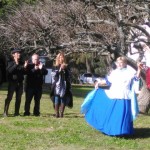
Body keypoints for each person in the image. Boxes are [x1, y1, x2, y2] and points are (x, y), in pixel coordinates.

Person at [81, 56, 143, 136]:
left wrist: (139, 69)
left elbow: (136, 78)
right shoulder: (114, 73)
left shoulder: (129, 73)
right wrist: (99, 83)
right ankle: (114, 130)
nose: (120, 64)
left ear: (125, 64)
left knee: (123, 114)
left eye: (122, 63)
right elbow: (108, 81)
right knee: (116, 114)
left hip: (125, 96)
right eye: (118, 63)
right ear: (117, 64)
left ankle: (123, 131)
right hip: (115, 94)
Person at [3, 48, 26, 117]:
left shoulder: (22, 62)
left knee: (18, 98)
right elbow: (9, 71)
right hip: (12, 82)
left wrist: (25, 67)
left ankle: (16, 112)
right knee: (9, 97)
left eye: (19, 53)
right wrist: (16, 64)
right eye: (17, 53)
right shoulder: (9, 62)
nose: (19, 54)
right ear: (13, 55)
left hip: (20, 82)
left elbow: (23, 72)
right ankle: (5, 112)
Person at [50, 52, 73, 118]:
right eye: (60, 57)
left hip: (64, 85)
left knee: (63, 98)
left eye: (62, 57)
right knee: (56, 98)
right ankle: (56, 113)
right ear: (58, 58)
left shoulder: (67, 66)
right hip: (57, 85)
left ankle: (61, 113)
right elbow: (54, 75)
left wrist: (65, 69)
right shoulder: (55, 66)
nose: (61, 58)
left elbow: (69, 75)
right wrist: (60, 69)